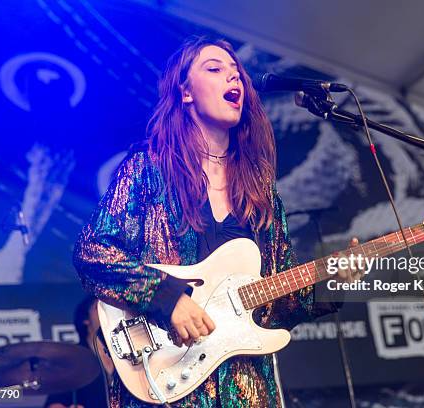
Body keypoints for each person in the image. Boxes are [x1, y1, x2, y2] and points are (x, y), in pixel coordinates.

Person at [73, 35, 350, 407]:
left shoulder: (260, 189)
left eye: (236, 73)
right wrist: (166, 297)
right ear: (185, 92)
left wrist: (331, 279)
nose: (233, 78)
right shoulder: (148, 170)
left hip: (244, 388)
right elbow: (92, 253)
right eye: (215, 69)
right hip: (164, 380)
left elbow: (276, 306)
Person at [44, 296, 114, 408]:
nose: (107, 312)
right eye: (99, 307)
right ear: (86, 320)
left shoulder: (127, 354)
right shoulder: (72, 359)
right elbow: (54, 403)